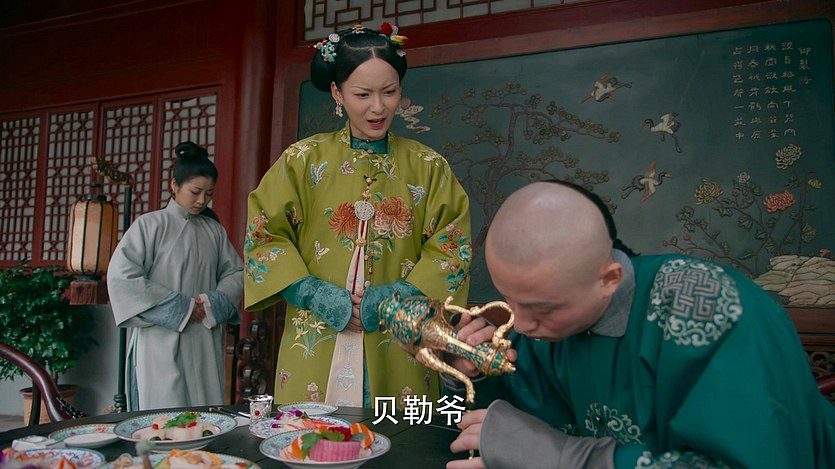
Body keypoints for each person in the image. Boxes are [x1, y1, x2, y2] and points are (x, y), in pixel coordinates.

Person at [444, 181, 835, 468]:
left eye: (541, 308)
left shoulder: (710, 310)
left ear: (609, 279)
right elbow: (524, 409)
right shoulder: (550, 319)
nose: (523, 324)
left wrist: (567, 458)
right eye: (509, 299)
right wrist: (475, 369)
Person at [244, 23, 472, 408]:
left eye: (389, 92)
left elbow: (453, 248)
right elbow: (264, 236)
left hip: (399, 342)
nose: (378, 107)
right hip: (315, 337)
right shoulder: (302, 161)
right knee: (310, 436)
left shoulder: (428, 167)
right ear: (337, 93)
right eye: (363, 94)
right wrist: (311, 293)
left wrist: (400, 296)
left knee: (400, 437)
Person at [108, 141, 244, 410]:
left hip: (204, 335)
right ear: (174, 185)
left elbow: (236, 273)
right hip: (159, 338)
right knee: (163, 413)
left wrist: (209, 303)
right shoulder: (149, 225)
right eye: (195, 192)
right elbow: (122, 277)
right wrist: (183, 307)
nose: (201, 200)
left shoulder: (214, 231)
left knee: (206, 411)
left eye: (208, 194)